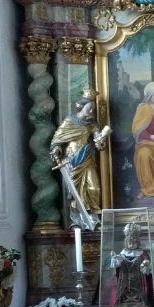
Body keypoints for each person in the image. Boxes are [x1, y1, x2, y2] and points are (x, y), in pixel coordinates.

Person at [50, 89, 110, 219]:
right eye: (89, 108)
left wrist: (102, 138)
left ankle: (94, 215)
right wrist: (57, 149)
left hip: (87, 159)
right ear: (82, 107)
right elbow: (58, 139)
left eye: (93, 108)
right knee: (75, 191)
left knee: (94, 188)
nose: (91, 111)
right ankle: (79, 219)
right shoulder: (69, 121)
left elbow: (99, 145)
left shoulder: (92, 124)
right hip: (72, 159)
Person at [108, 222, 154, 307]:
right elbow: (117, 265)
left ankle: (141, 303)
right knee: (124, 291)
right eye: (130, 243)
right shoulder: (123, 253)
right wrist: (114, 257)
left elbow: (147, 264)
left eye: (134, 243)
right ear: (126, 242)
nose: (132, 245)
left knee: (139, 291)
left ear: (138, 243)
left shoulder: (142, 253)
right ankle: (122, 304)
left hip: (138, 278)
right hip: (124, 278)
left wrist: (146, 263)